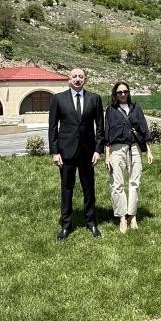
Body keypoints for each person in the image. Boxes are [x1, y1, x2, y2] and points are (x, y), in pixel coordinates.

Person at [48, 67, 105, 240]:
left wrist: (98, 150)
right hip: (66, 152)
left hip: (88, 153)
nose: (78, 79)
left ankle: (91, 222)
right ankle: (66, 225)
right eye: (74, 76)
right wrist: (55, 152)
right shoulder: (58, 99)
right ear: (69, 79)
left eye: (81, 76)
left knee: (89, 189)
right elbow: (53, 128)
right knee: (67, 189)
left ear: (85, 80)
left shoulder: (94, 99)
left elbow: (100, 127)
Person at [104, 81, 154, 233]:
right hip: (117, 149)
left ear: (129, 92)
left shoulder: (136, 108)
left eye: (125, 91)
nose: (123, 94)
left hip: (134, 148)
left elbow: (143, 128)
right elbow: (107, 133)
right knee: (117, 184)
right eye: (119, 92)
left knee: (135, 182)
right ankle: (122, 217)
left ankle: (132, 215)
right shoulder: (111, 110)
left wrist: (149, 150)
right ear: (115, 94)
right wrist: (107, 156)